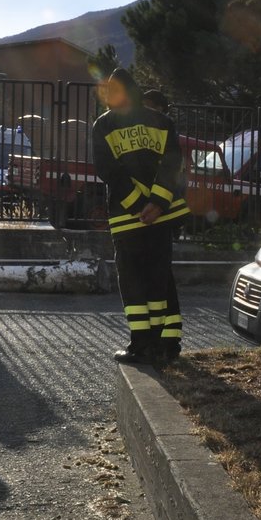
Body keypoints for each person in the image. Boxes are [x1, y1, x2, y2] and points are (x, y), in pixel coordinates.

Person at [91, 69, 184, 366]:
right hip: (159, 217)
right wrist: (156, 203)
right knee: (160, 278)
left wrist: (136, 205)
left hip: (125, 217)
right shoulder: (163, 122)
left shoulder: (104, 125)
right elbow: (171, 166)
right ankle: (164, 343)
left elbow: (108, 171)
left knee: (132, 281)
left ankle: (141, 345)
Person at [141, 88, 190, 360]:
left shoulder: (163, 135)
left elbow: (170, 177)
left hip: (162, 215)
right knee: (163, 279)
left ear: (159, 109)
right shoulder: (162, 134)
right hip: (161, 215)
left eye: (149, 108)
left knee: (159, 279)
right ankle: (168, 338)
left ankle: (166, 340)